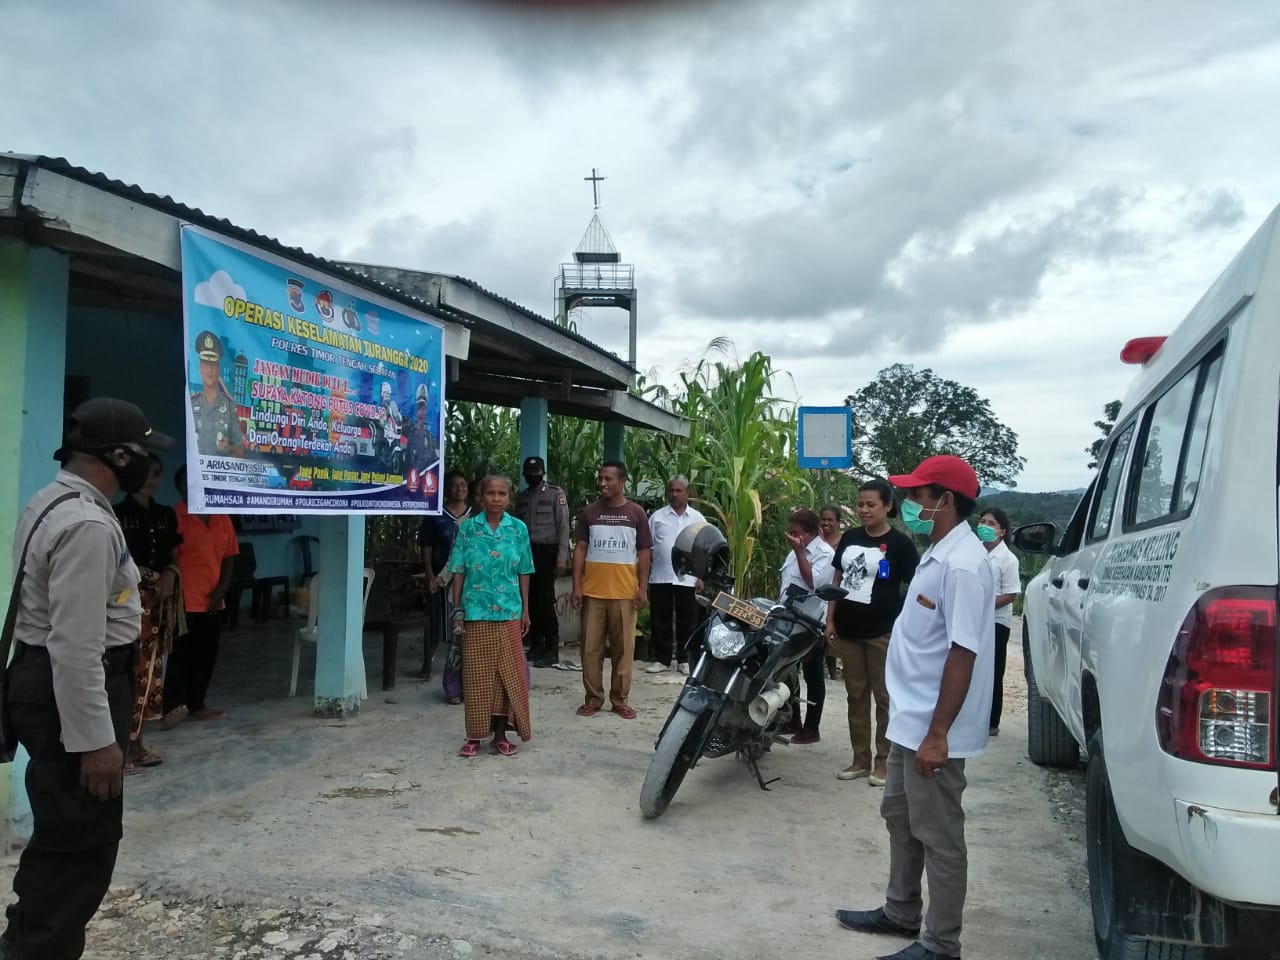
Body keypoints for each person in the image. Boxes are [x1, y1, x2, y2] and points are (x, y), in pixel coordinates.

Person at [1, 397, 170, 960]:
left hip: (44, 680)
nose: (147, 465)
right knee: (80, 850)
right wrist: (98, 742)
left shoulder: (52, 502)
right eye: (142, 453)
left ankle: (25, 937)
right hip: (71, 687)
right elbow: (75, 647)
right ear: (118, 454)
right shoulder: (88, 525)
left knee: (60, 836)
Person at [836, 455, 995, 960]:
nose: (911, 504)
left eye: (918, 495)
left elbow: (963, 651)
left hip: (933, 725)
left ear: (944, 501)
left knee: (940, 834)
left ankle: (941, 942)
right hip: (910, 719)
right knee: (899, 815)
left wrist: (939, 734)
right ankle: (900, 909)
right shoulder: (939, 554)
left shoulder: (965, 565)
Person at [825, 480, 919, 785]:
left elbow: (916, 585)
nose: (864, 510)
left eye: (871, 505)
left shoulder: (900, 544)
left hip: (882, 632)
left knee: (885, 698)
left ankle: (885, 762)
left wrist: (903, 621)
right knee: (855, 696)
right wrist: (830, 620)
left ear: (888, 506)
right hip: (849, 631)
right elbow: (837, 578)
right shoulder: (850, 537)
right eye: (860, 504)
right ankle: (859, 760)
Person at [447, 475, 534, 757]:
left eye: (502, 493)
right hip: (475, 612)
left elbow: (524, 571)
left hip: (509, 612)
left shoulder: (518, 529)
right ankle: (474, 736)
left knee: (507, 677)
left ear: (509, 497)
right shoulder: (468, 529)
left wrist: (525, 610)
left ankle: (500, 735)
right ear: (480, 497)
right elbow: (459, 570)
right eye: (491, 493)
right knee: (476, 676)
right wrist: (457, 610)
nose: (497, 498)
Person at [113, 454, 183, 772]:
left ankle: (137, 744)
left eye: (157, 473)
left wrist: (168, 574)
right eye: (147, 473)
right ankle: (120, 748)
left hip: (159, 603)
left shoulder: (164, 514)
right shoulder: (118, 514)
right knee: (126, 670)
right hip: (128, 602)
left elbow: (171, 553)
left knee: (151, 671)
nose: (152, 479)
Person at [570, 461, 652, 719]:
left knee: (624, 650)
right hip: (593, 592)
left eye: (608, 479)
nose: (603, 483)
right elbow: (581, 548)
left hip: (625, 594)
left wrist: (642, 587)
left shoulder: (636, 514)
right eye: (601, 478)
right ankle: (593, 698)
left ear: (622, 481)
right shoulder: (589, 513)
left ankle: (620, 700)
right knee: (590, 649)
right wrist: (576, 585)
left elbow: (644, 552)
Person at [162, 467, 238, 723]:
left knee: (206, 655)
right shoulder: (175, 516)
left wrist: (222, 588)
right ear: (179, 488)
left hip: (212, 599)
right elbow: (169, 557)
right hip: (183, 599)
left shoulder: (221, 514)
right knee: (180, 656)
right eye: (186, 483)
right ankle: (172, 706)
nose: (192, 486)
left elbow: (230, 556)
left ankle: (197, 704)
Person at [779, 508, 835, 744]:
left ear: (812, 533)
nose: (792, 537)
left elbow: (812, 581)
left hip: (811, 621)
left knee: (812, 675)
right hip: (787, 618)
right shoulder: (793, 552)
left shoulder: (825, 554)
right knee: (786, 671)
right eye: (790, 532)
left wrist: (801, 552)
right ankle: (791, 720)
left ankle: (812, 728)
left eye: (797, 533)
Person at [513, 456, 571, 669]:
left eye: (536, 472)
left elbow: (564, 526)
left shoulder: (556, 494)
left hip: (547, 552)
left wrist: (562, 557)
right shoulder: (523, 497)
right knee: (530, 600)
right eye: (529, 473)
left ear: (543, 472)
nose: (532, 476)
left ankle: (552, 648)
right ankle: (536, 645)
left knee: (546, 601)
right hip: (525, 553)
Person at [415, 470, 472, 679]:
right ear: (446, 488)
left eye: (463, 484)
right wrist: (431, 575)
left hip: (467, 577)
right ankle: (426, 666)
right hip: (441, 574)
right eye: (455, 485)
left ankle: (463, 669)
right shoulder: (436, 514)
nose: (460, 489)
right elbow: (426, 546)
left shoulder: (474, 515)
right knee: (435, 622)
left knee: (463, 623)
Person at [645, 476, 705, 675]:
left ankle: (684, 659)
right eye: (671, 490)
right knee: (660, 618)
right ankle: (661, 659)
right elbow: (648, 546)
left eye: (679, 491)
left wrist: (701, 576)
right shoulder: (657, 517)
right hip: (661, 575)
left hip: (688, 578)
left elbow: (705, 549)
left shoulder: (697, 519)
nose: (674, 494)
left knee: (688, 619)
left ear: (688, 493)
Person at [976, 507, 1020, 737]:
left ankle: (992, 722)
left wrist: (982, 605)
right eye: (982, 521)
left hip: (996, 621)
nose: (984, 526)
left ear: (1002, 531)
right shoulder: (975, 552)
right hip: (974, 619)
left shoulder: (1007, 559)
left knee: (993, 671)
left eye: (991, 523)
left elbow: (1011, 593)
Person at [189, 330, 244, 457]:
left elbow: (240, 451)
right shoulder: (191, 403)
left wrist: (229, 448)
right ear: (200, 368)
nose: (209, 369)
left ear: (219, 369)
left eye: (213, 364)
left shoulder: (229, 406)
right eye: (205, 363)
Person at [818, 505, 845, 681]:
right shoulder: (815, 542)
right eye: (824, 519)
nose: (826, 523)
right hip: (817, 593)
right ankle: (826, 671)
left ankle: (834, 672)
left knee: (834, 632)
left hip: (836, 594)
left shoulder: (843, 542)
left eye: (830, 520)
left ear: (837, 522)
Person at [405, 383, 439, 476]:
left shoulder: (429, 436)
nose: (422, 412)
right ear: (416, 411)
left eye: (424, 409)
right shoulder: (409, 433)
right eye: (419, 408)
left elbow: (435, 460)